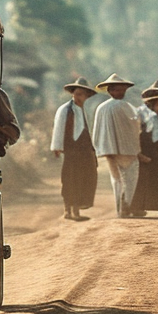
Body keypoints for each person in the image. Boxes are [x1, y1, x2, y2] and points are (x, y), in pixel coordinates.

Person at [91, 73, 144, 217]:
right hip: (126, 149)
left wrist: (99, 148)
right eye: (118, 90)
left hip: (108, 150)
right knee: (130, 177)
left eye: (122, 90)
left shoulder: (101, 108)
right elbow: (135, 124)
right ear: (110, 91)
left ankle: (120, 208)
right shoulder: (126, 106)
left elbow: (96, 131)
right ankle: (126, 203)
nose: (121, 92)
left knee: (116, 179)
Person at [51, 76, 99, 222]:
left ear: (86, 96)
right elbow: (58, 128)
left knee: (83, 178)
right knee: (69, 179)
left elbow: (88, 130)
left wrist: (93, 149)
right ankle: (68, 210)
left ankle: (77, 209)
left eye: (82, 94)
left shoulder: (85, 110)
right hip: (70, 149)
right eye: (77, 93)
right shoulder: (65, 109)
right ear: (73, 93)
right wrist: (57, 147)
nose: (79, 97)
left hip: (83, 150)